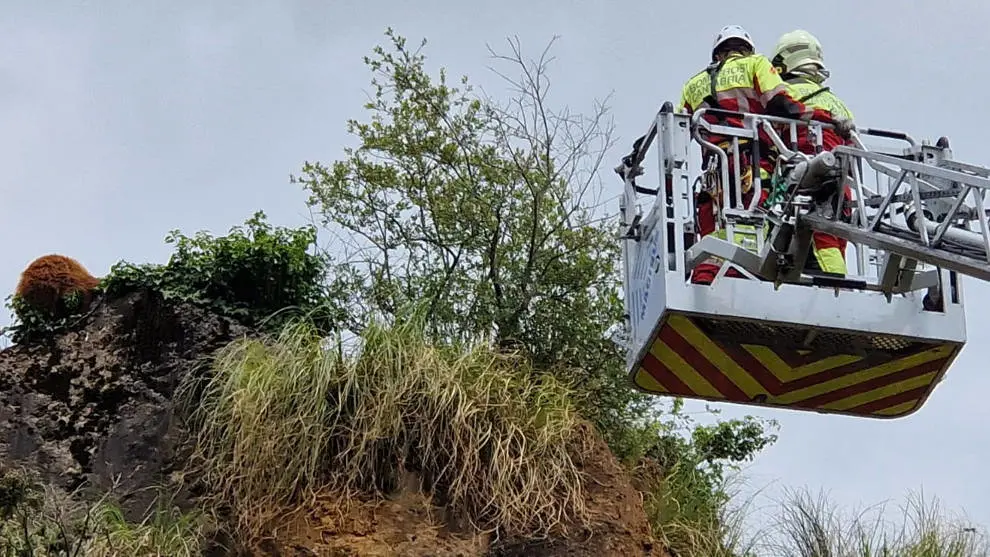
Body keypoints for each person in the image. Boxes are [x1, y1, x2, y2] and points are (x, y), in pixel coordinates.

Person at [677, 25, 826, 285]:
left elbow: (678, 128)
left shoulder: (693, 84)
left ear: (717, 54)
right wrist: (822, 117)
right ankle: (748, 276)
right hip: (751, 166)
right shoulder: (755, 65)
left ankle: (708, 277)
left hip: (714, 172)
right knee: (756, 218)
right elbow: (782, 103)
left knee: (716, 223)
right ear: (746, 49)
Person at [770, 29, 855, 276]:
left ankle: (835, 287)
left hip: (808, 183)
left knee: (823, 241)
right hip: (842, 187)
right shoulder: (837, 103)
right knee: (835, 241)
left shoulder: (785, 94)